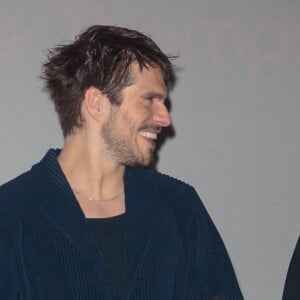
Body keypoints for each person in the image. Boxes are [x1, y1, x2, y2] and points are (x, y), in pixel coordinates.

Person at [0, 25, 243, 299]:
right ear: (97, 103)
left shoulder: (179, 206)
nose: (165, 118)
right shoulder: (11, 213)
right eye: (150, 100)